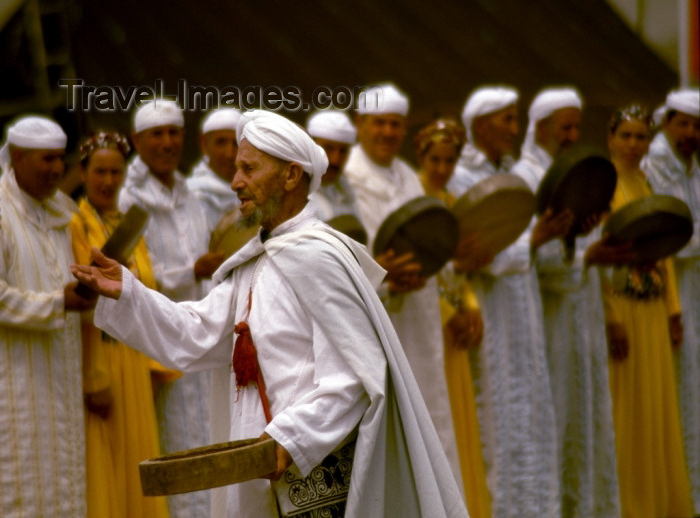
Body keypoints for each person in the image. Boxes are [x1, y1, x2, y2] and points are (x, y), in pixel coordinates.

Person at [71, 109, 469, 518]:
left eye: (249, 169)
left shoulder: (319, 258)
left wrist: (288, 439)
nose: (235, 181)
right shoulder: (254, 262)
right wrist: (128, 292)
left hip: (314, 481)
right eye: (237, 169)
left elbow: (352, 379)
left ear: (291, 176)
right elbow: (193, 335)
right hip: (262, 475)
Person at [447, 85, 562, 517]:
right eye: (507, 120)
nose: (516, 130)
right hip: (489, 314)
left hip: (524, 309)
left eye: (517, 119)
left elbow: (526, 248)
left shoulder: (513, 176)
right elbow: (476, 251)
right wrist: (534, 238)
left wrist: (545, 237)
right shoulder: (458, 177)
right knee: (495, 418)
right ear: (480, 125)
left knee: (532, 415)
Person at [343, 83, 462, 484]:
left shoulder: (410, 177)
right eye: (379, 123)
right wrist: (384, 276)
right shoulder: (346, 178)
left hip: (420, 317)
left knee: (431, 417)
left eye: (395, 124)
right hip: (375, 320)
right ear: (360, 124)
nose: (388, 133)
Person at [512, 87, 620, 517]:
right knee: (551, 418)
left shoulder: (579, 173)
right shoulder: (526, 178)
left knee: (585, 415)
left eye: (577, 126)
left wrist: (590, 245)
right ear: (540, 129)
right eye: (565, 127)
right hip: (545, 317)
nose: (573, 135)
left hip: (584, 315)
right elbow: (532, 258)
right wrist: (579, 253)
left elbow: (580, 246)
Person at [592, 103, 693, 517]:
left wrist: (673, 307)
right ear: (610, 138)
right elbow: (598, 256)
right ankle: (627, 504)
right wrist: (611, 317)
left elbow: (662, 250)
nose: (634, 145)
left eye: (641, 137)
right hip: (624, 307)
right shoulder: (602, 186)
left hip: (651, 307)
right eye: (627, 136)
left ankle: (657, 502)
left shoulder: (646, 182)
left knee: (656, 403)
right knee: (625, 406)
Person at [123, 99, 223, 517]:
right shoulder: (128, 200)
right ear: (137, 141)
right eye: (156, 134)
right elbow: (133, 276)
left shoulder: (192, 196)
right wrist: (191, 270)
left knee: (212, 439)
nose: (166, 143)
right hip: (160, 344)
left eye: (173, 133)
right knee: (175, 441)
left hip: (203, 335)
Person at [69, 131, 172, 518]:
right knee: (107, 467)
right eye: (99, 172)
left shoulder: (126, 224)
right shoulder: (76, 225)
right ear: (82, 172)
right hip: (102, 359)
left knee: (139, 460)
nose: (108, 181)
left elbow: (148, 292)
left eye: (115, 172)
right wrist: (92, 376)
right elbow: (81, 306)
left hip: (133, 359)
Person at [0, 115, 95, 516]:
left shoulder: (59, 211)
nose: (57, 169)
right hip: (17, 378)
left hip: (62, 369)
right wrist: (58, 303)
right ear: (18, 157)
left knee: (66, 481)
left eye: (61, 159)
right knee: (20, 481)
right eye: (47, 159)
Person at [415, 118, 492, 518]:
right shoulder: (411, 200)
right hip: (427, 330)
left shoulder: (450, 203)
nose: (442, 169)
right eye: (436, 160)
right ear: (421, 157)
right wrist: (448, 315)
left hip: (454, 334)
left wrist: (471, 308)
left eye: (449, 161)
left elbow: (455, 270)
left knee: (460, 425)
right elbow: (419, 270)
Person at [641, 87, 700, 514]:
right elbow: (666, 236)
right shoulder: (653, 168)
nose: (691, 133)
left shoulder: (691, 168)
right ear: (666, 123)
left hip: (694, 289)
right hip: (669, 295)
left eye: (697, 126)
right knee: (678, 392)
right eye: (684, 123)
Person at [187, 108, 242, 234]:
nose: (229, 154)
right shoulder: (191, 195)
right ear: (205, 144)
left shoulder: (254, 192)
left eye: (236, 143)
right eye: (221, 142)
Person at [305, 109, 361, 221]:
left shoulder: (348, 191)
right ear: (310, 147)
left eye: (343, 151)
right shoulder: (297, 195)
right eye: (328, 148)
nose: (335, 160)